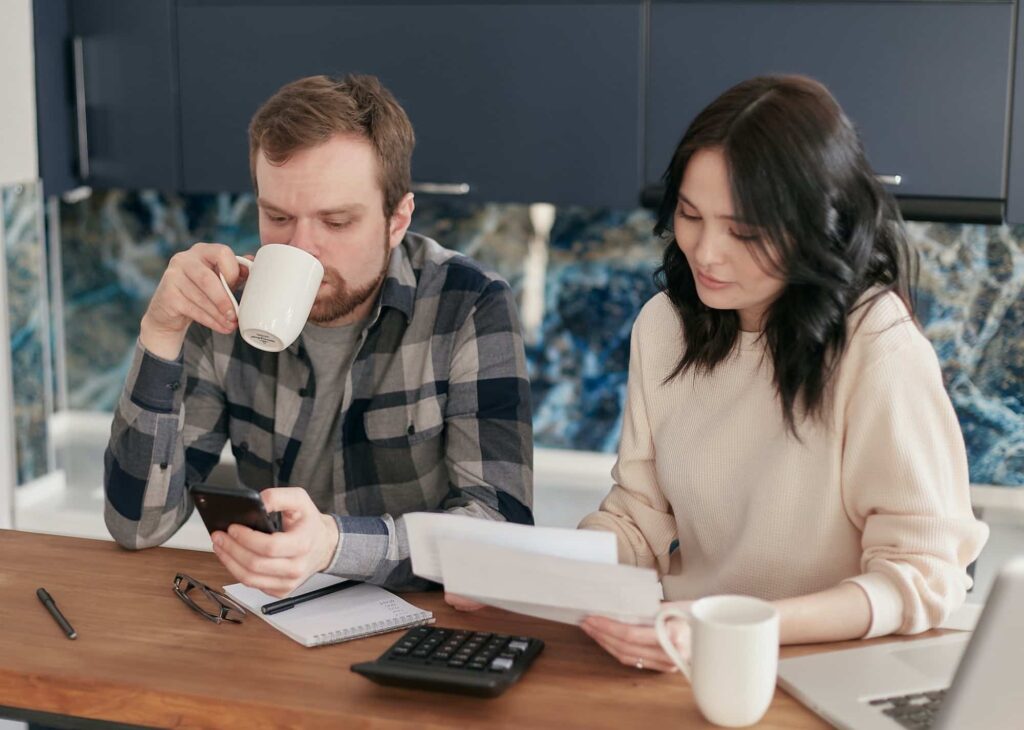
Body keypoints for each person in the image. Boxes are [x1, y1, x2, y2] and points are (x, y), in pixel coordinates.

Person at [573, 75, 987, 672]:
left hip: (831, 671)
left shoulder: (876, 343)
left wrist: (738, 629)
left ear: (818, 224)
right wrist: (545, 571)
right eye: (690, 215)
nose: (706, 252)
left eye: (745, 231)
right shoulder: (664, 325)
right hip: (687, 661)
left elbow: (923, 575)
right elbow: (639, 519)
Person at [104, 74, 533, 594]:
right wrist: (161, 332)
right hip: (275, 618)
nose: (301, 247)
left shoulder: (468, 304)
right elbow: (136, 526)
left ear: (397, 220)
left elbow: (500, 535)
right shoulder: (226, 302)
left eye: (336, 222)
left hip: (417, 621)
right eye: (278, 216)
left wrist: (332, 546)